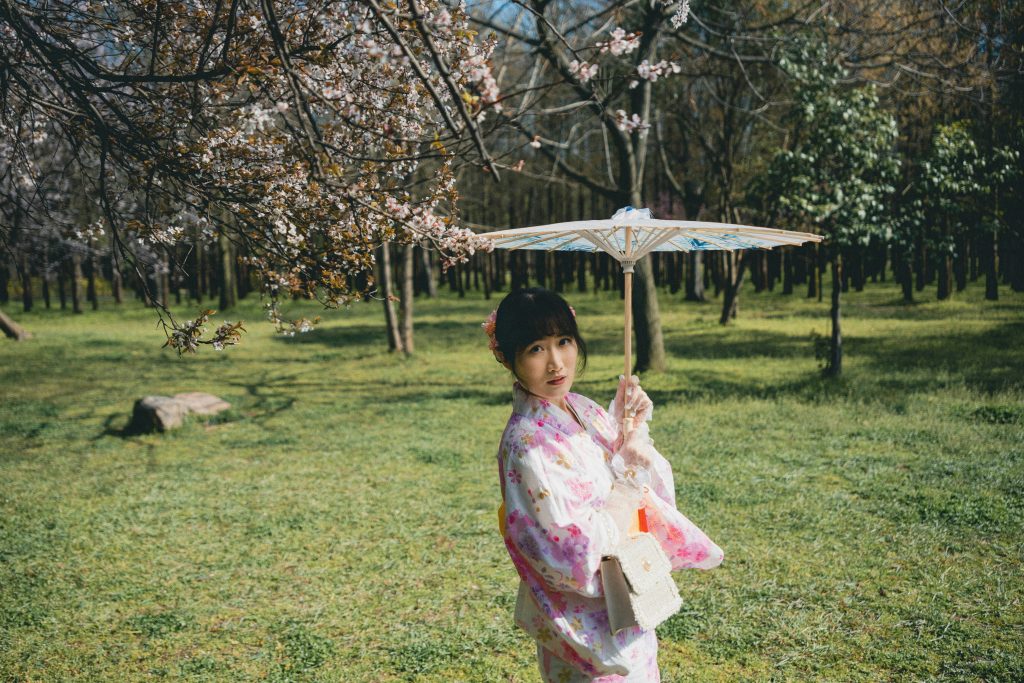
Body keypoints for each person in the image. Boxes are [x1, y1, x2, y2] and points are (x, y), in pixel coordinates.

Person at [484, 287, 724, 683]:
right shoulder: (528, 445)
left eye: (563, 341)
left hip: (626, 603)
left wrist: (630, 427)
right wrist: (628, 481)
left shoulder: (582, 408)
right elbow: (571, 553)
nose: (557, 362)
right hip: (585, 628)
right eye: (536, 349)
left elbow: (631, 477)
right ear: (506, 357)